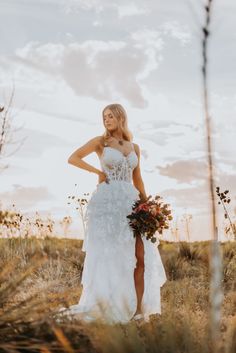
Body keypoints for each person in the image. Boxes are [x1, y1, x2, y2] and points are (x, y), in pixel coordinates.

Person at [62, 103, 167, 324]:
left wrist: (148, 208)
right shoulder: (101, 142)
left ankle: (138, 311)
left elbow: (138, 179)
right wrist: (98, 172)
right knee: (111, 256)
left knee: (140, 257)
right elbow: (73, 158)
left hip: (131, 202)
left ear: (120, 118)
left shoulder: (134, 147)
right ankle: (108, 304)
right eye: (104, 117)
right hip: (108, 204)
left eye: (110, 116)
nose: (106, 120)